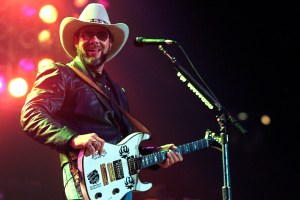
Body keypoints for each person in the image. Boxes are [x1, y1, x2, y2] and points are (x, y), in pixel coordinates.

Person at [20, 3, 183, 200]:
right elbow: (31, 114)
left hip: (121, 185)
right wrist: (73, 138)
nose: (94, 40)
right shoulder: (61, 74)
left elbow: (125, 147)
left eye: (101, 35)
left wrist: (156, 155)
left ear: (109, 44)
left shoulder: (118, 91)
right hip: (87, 179)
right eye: (87, 34)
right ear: (76, 41)